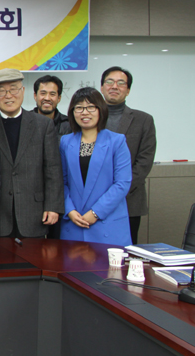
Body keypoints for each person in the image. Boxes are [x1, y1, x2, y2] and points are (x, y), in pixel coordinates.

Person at [0, 69, 63, 239]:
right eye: (1, 91)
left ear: (23, 91)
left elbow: (53, 169)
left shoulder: (43, 125)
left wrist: (53, 206)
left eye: (13, 89)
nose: (8, 96)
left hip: (34, 213)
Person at [60, 87, 132, 246]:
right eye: (79, 108)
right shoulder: (65, 142)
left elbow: (122, 183)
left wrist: (96, 212)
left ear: (101, 110)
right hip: (74, 222)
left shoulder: (117, 141)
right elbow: (61, 181)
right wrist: (69, 210)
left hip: (107, 223)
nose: (84, 112)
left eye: (91, 107)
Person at [100, 67, 156, 245]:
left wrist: (118, 191)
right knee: (92, 251)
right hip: (92, 200)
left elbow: (144, 162)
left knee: (125, 252)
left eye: (121, 83)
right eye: (109, 82)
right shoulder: (88, 117)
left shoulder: (144, 120)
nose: (114, 86)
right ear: (102, 87)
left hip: (129, 200)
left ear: (128, 90)